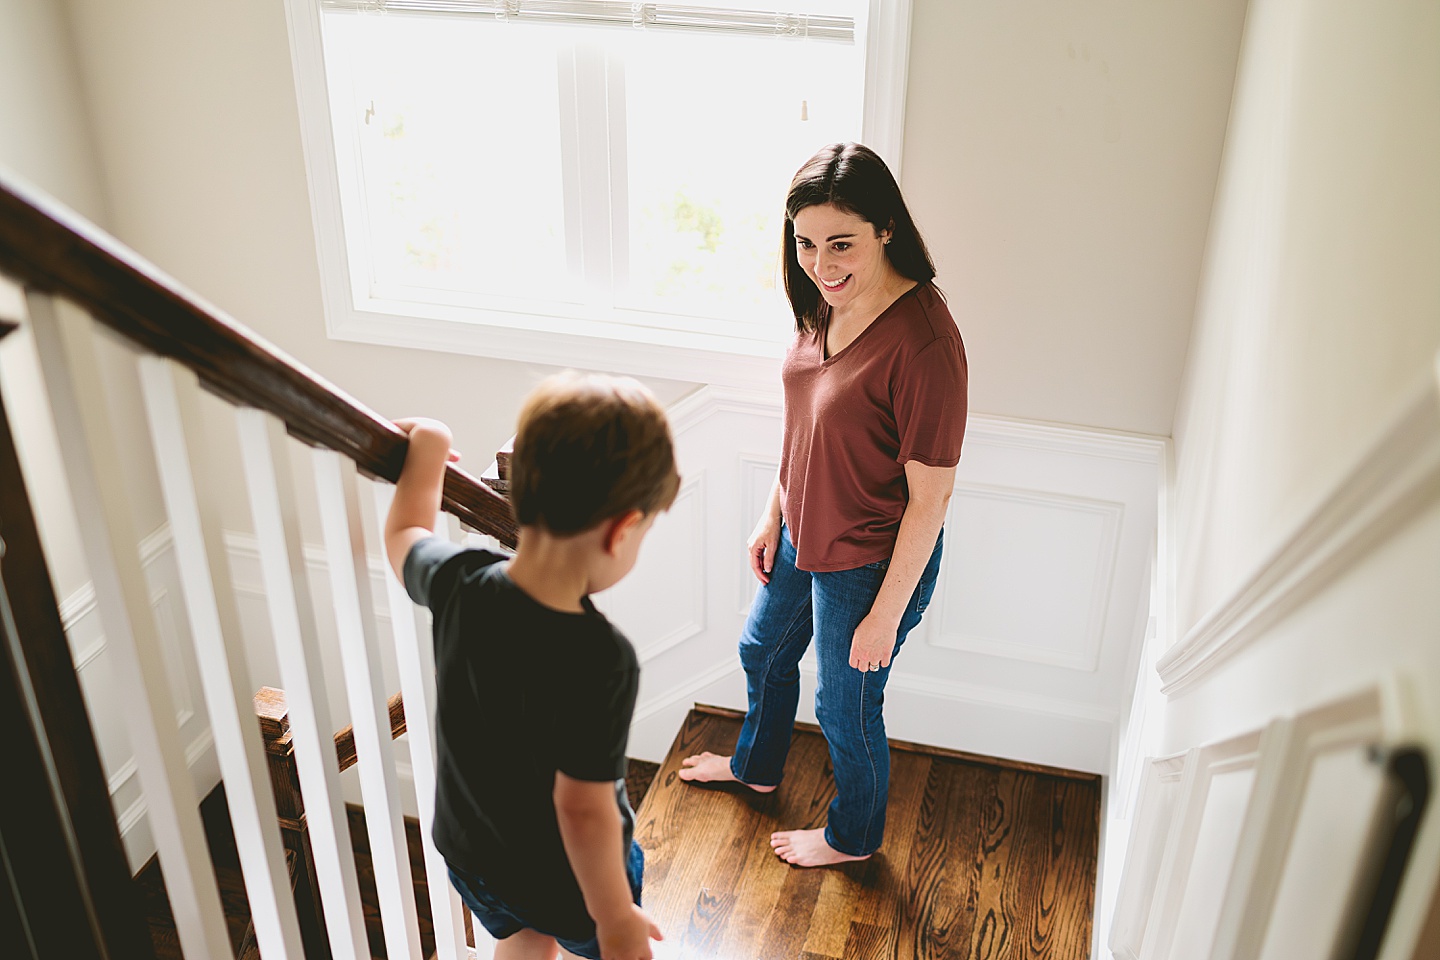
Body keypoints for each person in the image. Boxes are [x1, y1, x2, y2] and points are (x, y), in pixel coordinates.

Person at [678, 142, 968, 867]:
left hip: (869, 562)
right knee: (762, 653)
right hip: (805, 533)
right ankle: (756, 766)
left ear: (887, 229)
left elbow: (930, 502)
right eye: (806, 243)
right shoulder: (822, 301)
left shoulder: (926, 344)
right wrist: (774, 511)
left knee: (845, 709)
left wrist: (884, 614)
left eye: (842, 243)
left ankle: (853, 838)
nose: (821, 261)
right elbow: (806, 422)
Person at [384, 372, 678, 960]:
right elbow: (584, 810)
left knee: (522, 936)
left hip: (470, 852)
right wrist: (616, 916)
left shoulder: (459, 580)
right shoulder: (602, 658)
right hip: (565, 878)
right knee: (566, 929)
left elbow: (405, 534)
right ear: (622, 531)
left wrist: (431, 447)